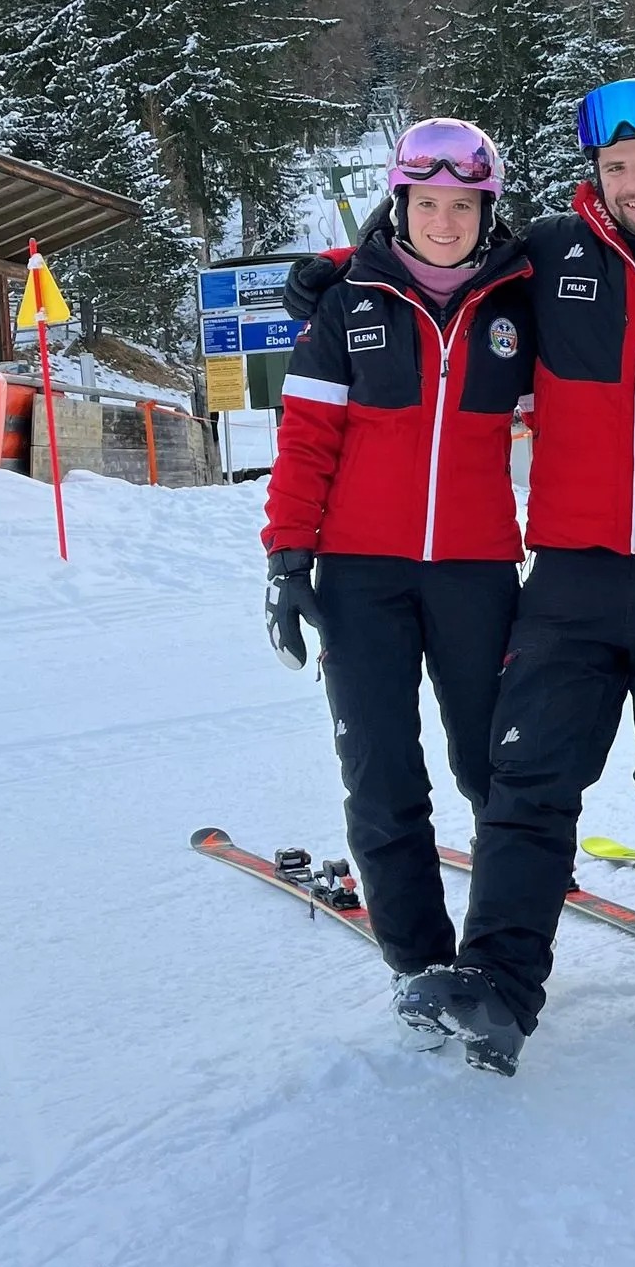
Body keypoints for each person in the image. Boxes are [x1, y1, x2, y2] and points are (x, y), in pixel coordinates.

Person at [407, 78, 635, 1073]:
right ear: (594, 176)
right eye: (616, 166)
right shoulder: (550, 253)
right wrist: (342, 282)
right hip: (570, 566)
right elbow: (439, 266)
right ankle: (501, 985)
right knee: (530, 775)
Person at [260, 120, 535, 1040]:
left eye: (464, 204)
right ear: (401, 206)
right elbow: (306, 437)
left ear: (486, 211)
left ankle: (500, 948)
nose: (446, 221)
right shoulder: (350, 303)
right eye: (428, 203)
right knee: (381, 772)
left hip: (477, 569)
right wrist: (288, 555)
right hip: (361, 572)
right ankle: (418, 961)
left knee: (489, 764)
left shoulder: (521, 300)